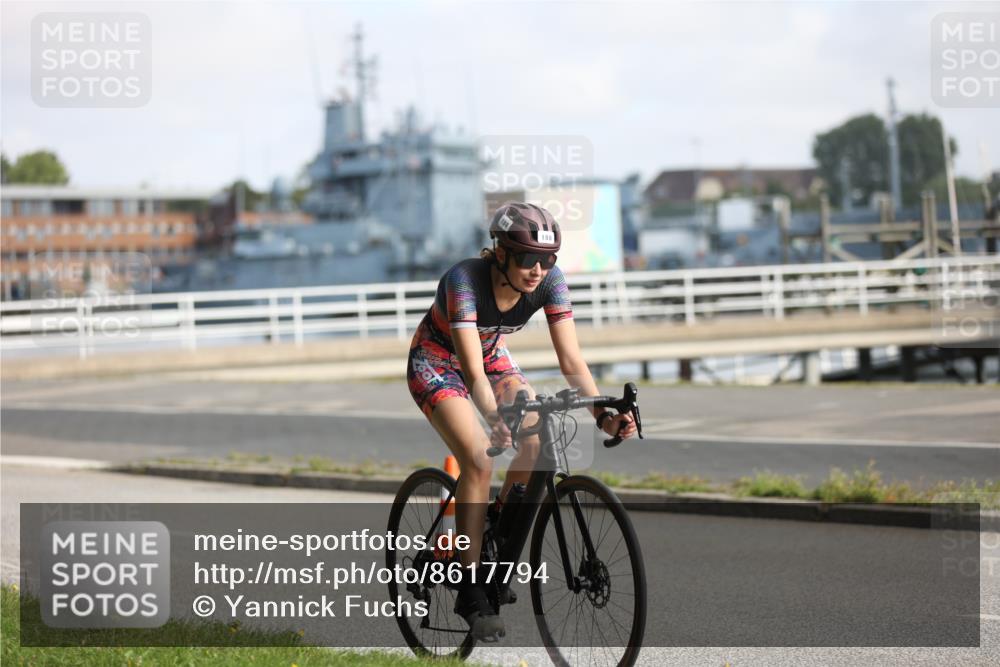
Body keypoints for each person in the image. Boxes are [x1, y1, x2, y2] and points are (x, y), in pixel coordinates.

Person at [406, 202, 638, 641]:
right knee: (477, 458)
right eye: (528, 257)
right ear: (500, 252)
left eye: (547, 259)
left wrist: (603, 414)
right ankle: (470, 587)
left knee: (536, 441)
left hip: (490, 356)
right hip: (438, 362)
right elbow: (471, 371)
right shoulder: (464, 280)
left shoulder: (550, 283)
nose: (538, 269)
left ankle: (494, 524)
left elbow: (571, 358)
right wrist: (493, 418)